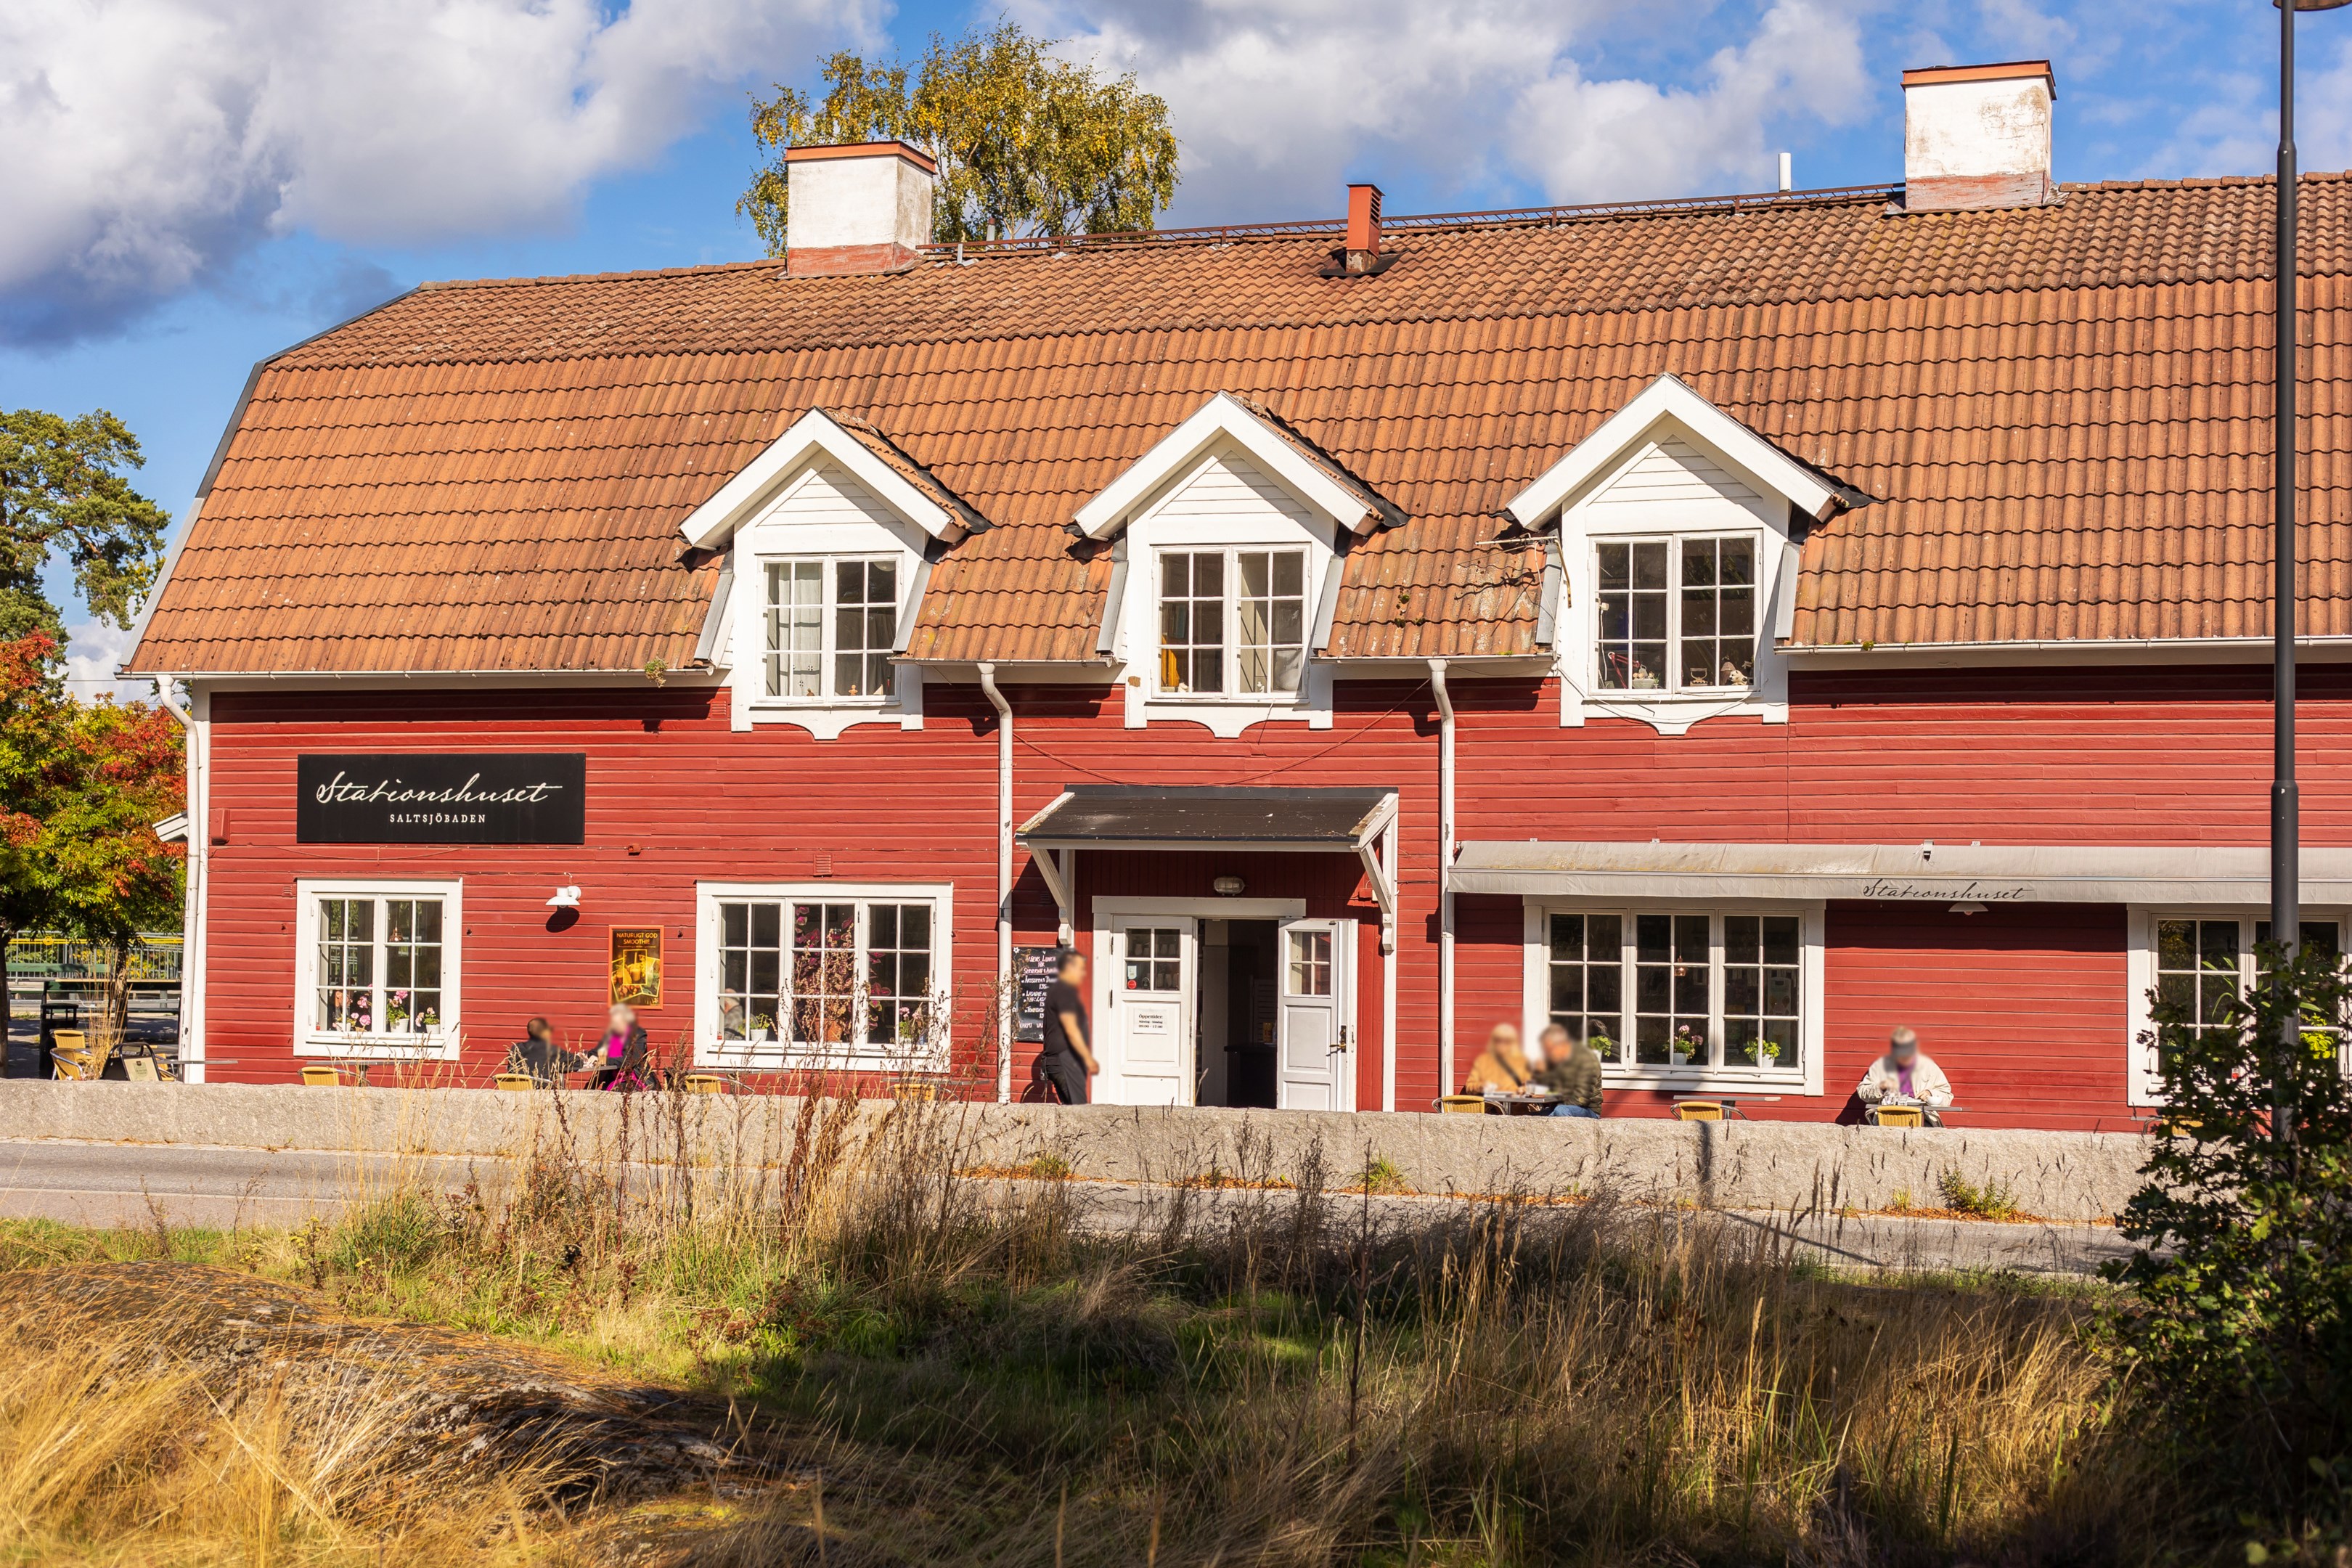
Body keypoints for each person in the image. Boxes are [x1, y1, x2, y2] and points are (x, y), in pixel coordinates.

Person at [1855, 1026, 1953, 1124]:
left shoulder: (1928, 1066)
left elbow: (1947, 1095)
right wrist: (1881, 1088)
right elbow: (1862, 1091)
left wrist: (1930, 1093)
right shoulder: (1881, 1066)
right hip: (1888, 1117)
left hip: (1923, 1118)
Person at [1037, 949, 1096, 1105]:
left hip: (1056, 1062)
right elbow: (1071, 1030)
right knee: (1079, 1111)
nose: (1083, 973)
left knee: (1070, 1111)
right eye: (1080, 969)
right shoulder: (1064, 993)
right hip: (1062, 1063)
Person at [1535, 1021, 1604, 1118]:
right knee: (1530, 1117)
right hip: (1562, 1107)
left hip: (1588, 1110)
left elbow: (1582, 1099)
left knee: (1560, 1110)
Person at [588, 1003, 651, 1092]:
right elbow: (597, 1051)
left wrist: (602, 1060)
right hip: (613, 1078)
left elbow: (630, 1061)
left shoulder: (638, 1034)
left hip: (634, 1080)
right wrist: (588, 1055)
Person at [1461, 1021, 1535, 1094]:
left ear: (1513, 1043)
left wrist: (1523, 1090)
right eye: (1498, 1040)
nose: (1502, 1044)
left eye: (1507, 1041)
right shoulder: (1482, 1061)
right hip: (1489, 1101)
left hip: (1515, 1101)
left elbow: (1530, 1086)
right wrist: (1481, 1086)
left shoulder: (1522, 1061)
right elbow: (1469, 1086)